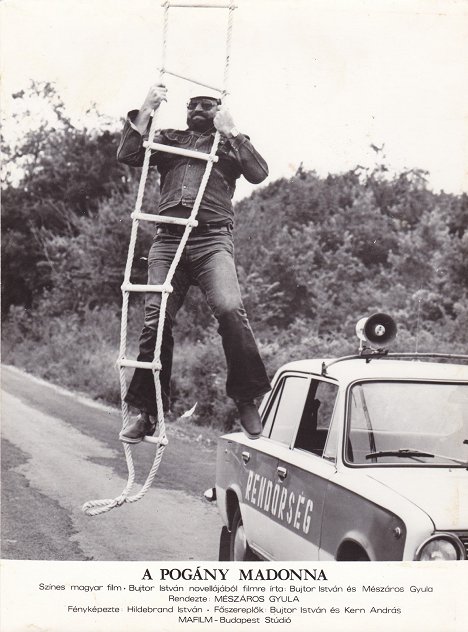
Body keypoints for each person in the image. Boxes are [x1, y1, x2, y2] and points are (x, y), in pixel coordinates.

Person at [117, 84, 271, 442]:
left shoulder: (229, 145)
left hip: (211, 240)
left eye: (207, 105)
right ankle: (148, 412)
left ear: (219, 111)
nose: (199, 109)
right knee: (155, 321)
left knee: (231, 310)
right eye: (193, 106)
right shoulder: (170, 140)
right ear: (186, 113)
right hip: (169, 240)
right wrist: (146, 107)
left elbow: (259, 173)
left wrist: (232, 130)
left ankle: (246, 399)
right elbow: (128, 153)